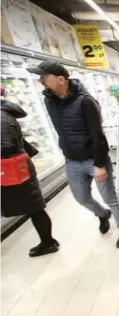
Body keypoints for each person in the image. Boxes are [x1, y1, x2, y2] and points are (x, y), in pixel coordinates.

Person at [27, 61, 119, 248]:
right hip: (72, 160)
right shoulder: (49, 101)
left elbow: (97, 134)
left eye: (44, 76)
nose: (40, 80)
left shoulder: (85, 101)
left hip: (94, 159)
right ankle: (103, 214)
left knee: (110, 196)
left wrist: (100, 164)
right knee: (81, 197)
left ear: (61, 79)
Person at [1, 87, 59, 257]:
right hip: (17, 167)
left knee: (35, 207)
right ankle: (48, 241)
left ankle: (48, 243)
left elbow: (8, 146)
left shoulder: (1, 117)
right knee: (34, 207)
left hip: (14, 169)